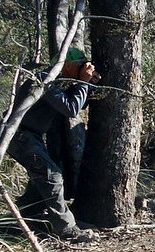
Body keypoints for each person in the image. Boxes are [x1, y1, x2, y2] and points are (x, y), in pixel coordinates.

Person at [7, 48, 101, 242]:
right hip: (19, 135)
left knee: (39, 182)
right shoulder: (45, 80)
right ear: (66, 65)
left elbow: (77, 102)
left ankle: (18, 223)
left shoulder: (57, 80)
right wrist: (83, 81)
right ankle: (68, 230)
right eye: (80, 65)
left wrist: (89, 84)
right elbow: (71, 109)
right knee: (53, 177)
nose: (84, 68)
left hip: (27, 135)